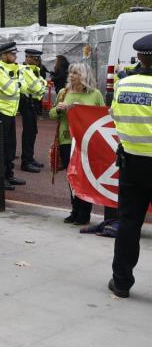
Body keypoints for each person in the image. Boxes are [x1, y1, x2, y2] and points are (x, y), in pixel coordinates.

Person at [109, 33, 152, 299]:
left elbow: (114, 114)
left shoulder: (124, 84)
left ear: (139, 57)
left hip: (131, 163)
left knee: (129, 223)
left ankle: (121, 282)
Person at [49, 62, 104, 225]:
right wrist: (58, 109)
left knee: (85, 176)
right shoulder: (63, 92)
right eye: (70, 72)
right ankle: (75, 210)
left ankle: (84, 213)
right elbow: (52, 114)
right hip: (67, 139)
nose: (71, 75)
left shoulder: (95, 94)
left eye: (75, 73)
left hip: (87, 141)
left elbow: (102, 116)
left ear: (84, 76)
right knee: (72, 177)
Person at [0, 41, 24, 190]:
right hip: (0, 113)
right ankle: (0, 179)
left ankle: (9, 175)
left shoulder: (10, 68)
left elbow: (20, 85)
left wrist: (18, 83)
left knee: (10, 147)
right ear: (3, 55)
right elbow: (11, 90)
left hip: (9, 112)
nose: (15, 56)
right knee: (1, 149)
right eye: (12, 54)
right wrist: (19, 83)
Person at [18, 49, 47, 173]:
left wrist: (41, 85)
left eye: (38, 59)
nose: (37, 61)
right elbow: (38, 87)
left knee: (32, 132)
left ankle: (30, 158)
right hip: (27, 102)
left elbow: (43, 84)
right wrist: (41, 85)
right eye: (35, 59)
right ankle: (26, 161)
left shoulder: (34, 70)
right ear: (28, 58)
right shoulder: (24, 70)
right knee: (28, 132)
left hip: (33, 103)